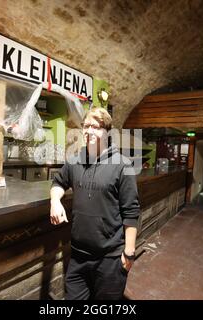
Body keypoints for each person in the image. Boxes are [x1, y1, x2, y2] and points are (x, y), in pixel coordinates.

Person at [50, 107, 141, 300]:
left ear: (107, 132)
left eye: (96, 126)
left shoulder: (123, 165)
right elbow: (58, 182)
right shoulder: (74, 161)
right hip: (78, 256)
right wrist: (55, 201)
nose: (89, 131)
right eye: (86, 126)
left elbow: (131, 212)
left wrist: (129, 253)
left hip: (110, 258)